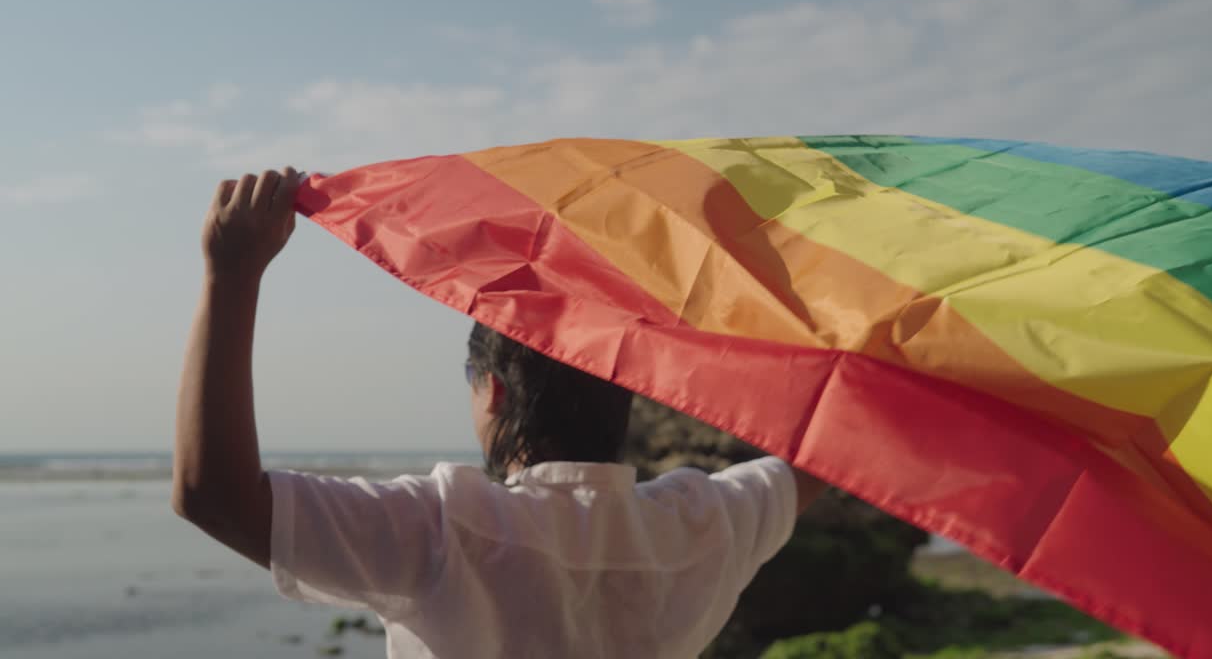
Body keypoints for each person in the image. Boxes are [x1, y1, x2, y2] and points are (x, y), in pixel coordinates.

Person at [173, 168, 829, 658]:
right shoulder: (700, 526)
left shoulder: (443, 530)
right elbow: (829, 455)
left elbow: (215, 498)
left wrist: (229, 275)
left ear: (496, 392)